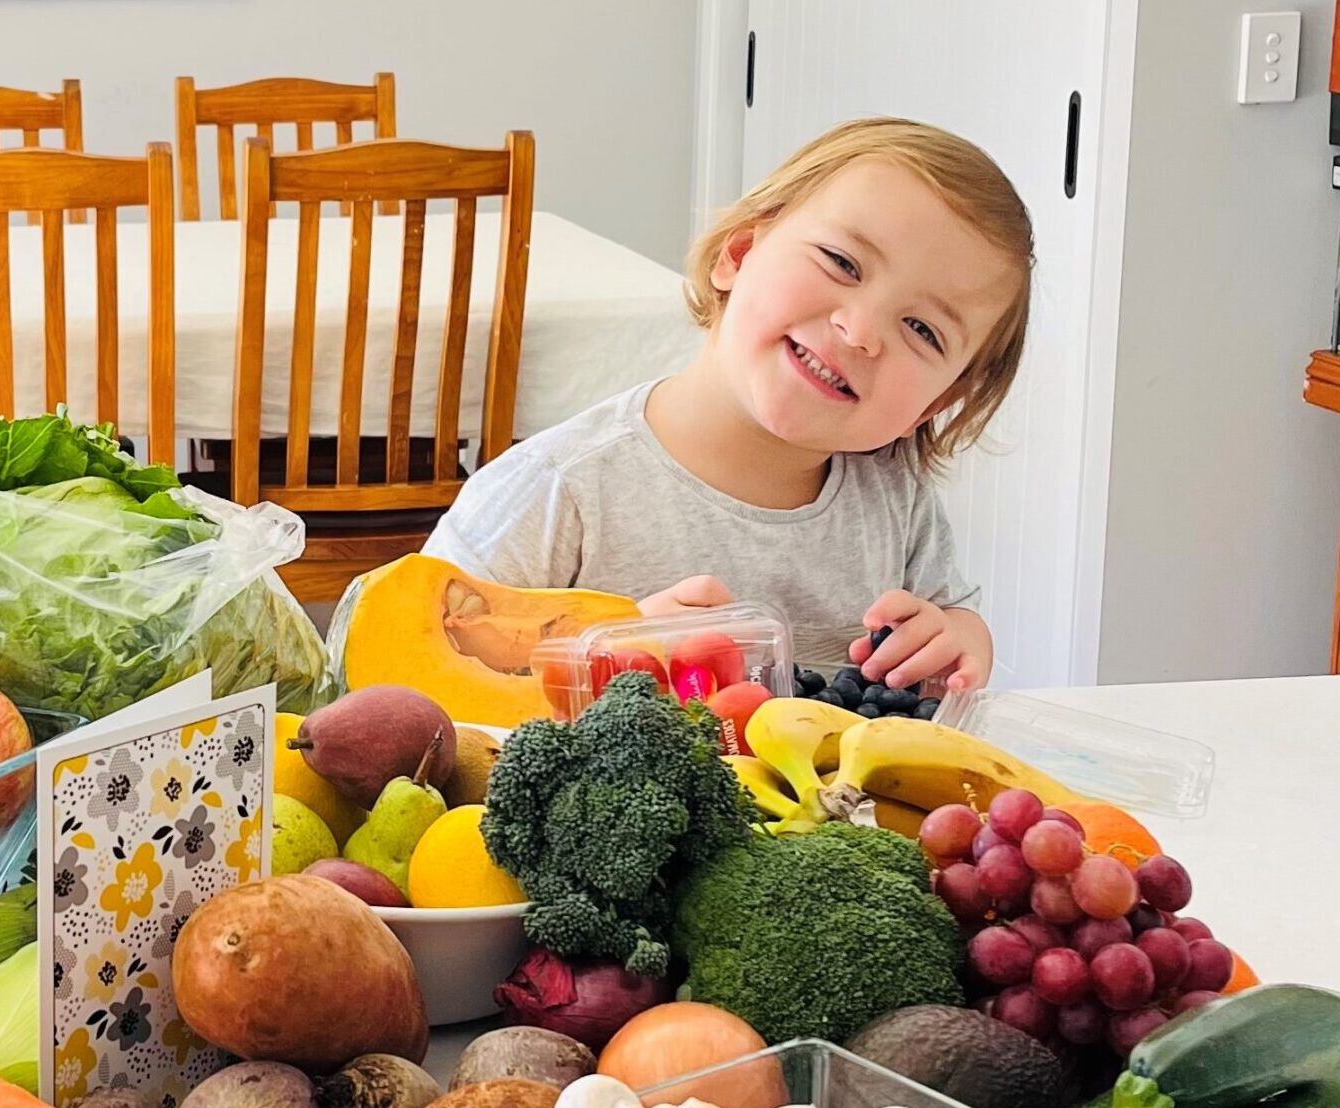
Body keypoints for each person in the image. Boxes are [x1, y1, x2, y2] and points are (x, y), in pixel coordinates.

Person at [423, 117, 1033, 691]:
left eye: (923, 330)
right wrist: (602, 650)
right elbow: (417, 673)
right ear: (737, 255)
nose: (860, 330)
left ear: (936, 404)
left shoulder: (898, 504)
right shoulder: (558, 489)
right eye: (842, 263)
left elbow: (949, 614)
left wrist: (960, 637)